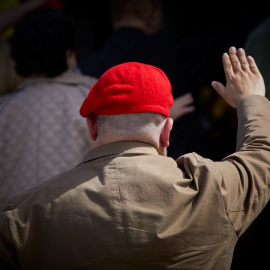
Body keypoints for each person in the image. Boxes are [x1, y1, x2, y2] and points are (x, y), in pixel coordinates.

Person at [0, 46, 269, 270]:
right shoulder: (213, 191)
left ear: (92, 126)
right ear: (167, 131)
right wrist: (251, 98)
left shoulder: (24, 215)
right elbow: (261, 156)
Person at [78, 0, 210, 160]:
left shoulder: (86, 66)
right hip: (176, 165)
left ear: (114, 14)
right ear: (151, 12)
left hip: (106, 168)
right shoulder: (177, 55)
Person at [0, 8, 98, 206]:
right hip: (75, 225)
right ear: (68, 53)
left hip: (10, 230)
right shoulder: (94, 100)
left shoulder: (4, 109)